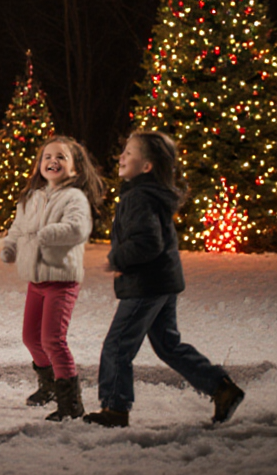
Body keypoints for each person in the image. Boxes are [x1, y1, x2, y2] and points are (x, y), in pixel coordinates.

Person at [84, 131, 246, 427]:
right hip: (161, 282)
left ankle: (115, 408)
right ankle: (221, 388)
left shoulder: (138, 197)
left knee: (118, 345)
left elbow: (148, 242)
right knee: (168, 345)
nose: (121, 157)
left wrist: (117, 259)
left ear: (147, 166)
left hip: (146, 285)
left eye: (129, 153)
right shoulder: (148, 194)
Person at [0, 136, 105, 421]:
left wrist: (48, 233)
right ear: (39, 165)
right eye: (47, 156)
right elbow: (18, 227)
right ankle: (49, 386)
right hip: (36, 280)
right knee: (31, 338)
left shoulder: (75, 198)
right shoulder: (32, 197)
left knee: (53, 339)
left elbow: (77, 228)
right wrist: (9, 246)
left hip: (62, 280)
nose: (52, 161)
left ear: (76, 169)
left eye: (61, 157)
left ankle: (71, 403)